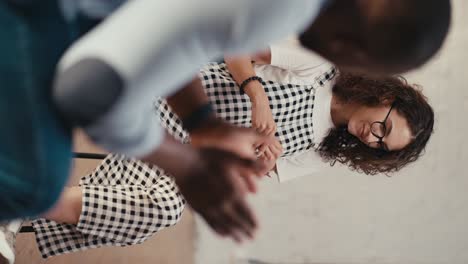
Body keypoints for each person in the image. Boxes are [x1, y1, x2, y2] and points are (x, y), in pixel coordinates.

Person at [0, 0, 450, 244]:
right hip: (75, 45)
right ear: (383, 92)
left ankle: (26, 212)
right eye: (383, 129)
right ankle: (28, 203)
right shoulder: (304, 46)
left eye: (378, 147)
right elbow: (90, 87)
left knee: (163, 208)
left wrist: (218, 142)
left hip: (179, 118)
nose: (371, 139)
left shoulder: (320, 150)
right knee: (32, 183)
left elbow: (181, 38)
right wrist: (242, 104)